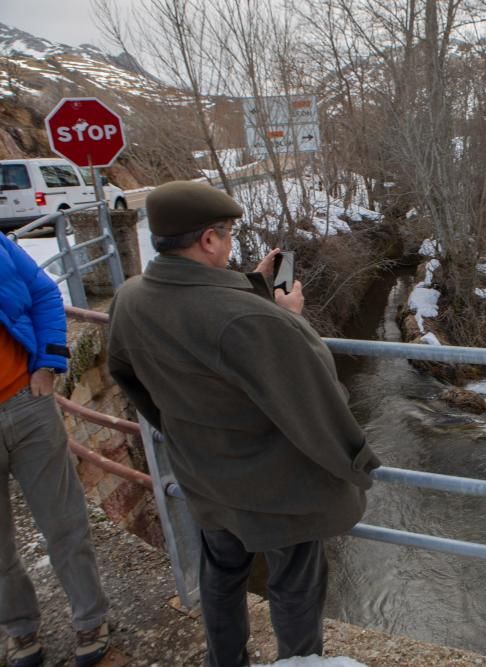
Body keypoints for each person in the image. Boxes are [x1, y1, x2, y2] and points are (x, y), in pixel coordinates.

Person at [106, 181, 380, 667]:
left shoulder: (129, 299)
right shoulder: (255, 321)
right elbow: (316, 398)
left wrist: (254, 286)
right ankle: (298, 663)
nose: (231, 244)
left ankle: (225, 660)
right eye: (228, 234)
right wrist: (291, 320)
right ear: (208, 240)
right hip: (275, 490)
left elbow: (128, 376)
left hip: (204, 475)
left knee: (221, 574)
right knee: (294, 586)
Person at [0, 234, 111, 667]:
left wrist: (48, 363)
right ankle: (19, 629)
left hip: (26, 404)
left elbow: (45, 293)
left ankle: (91, 617)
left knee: (64, 523)